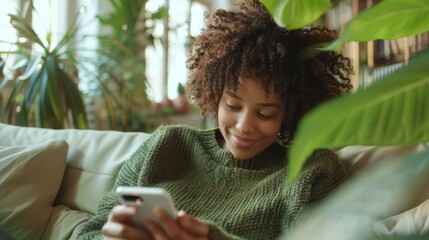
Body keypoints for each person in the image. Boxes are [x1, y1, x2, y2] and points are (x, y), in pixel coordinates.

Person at [77, 0, 353, 239]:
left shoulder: (313, 171)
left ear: (292, 110)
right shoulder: (167, 145)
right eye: (233, 105)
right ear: (215, 95)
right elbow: (90, 231)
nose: (244, 125)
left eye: (265, 113)